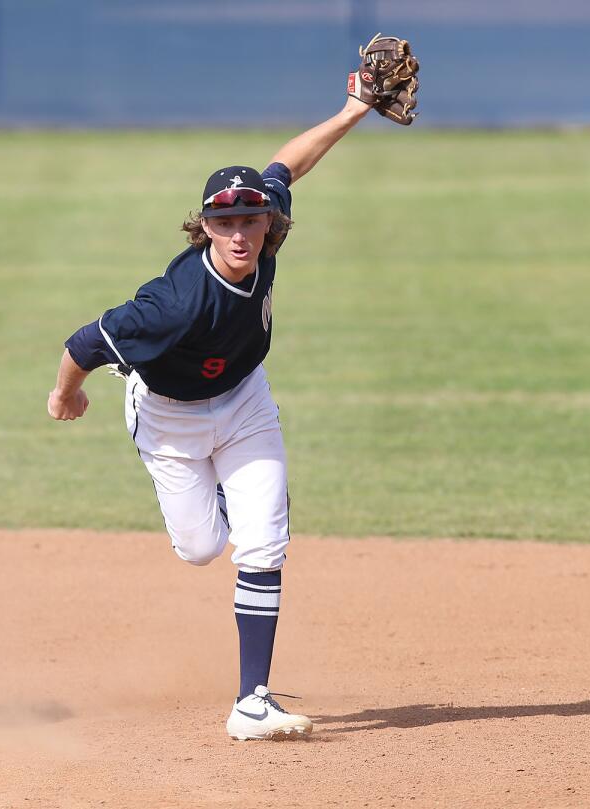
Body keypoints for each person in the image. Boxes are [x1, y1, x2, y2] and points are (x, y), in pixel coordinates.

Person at [47, 81, 393, 740]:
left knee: (263, 541)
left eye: (250, 219)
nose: (240, 232)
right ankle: (223, 498)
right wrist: (65, 393)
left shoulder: (266, 239)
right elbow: (85, 342)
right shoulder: (173, 305)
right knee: (202, 547)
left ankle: (251, 700)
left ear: (268, 222)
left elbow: (288, 164)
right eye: (225, 221)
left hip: (244, 403)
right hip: (169, 418)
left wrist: (353, 110)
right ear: (204, 225)